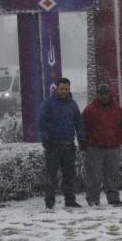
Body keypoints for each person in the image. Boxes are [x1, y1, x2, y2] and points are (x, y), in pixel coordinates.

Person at [38, 77, 86, 209]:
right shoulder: (48, 104)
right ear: (56, 89)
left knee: (69, 175)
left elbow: (79, 123)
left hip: (69, 145)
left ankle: (70, 200)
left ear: (69, 89)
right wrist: (45, 139)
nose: (64, 91)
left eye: (66, 89)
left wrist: (82, 139)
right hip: (53, 145)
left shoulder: (73, 104)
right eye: (61, 89)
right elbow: (42, 124)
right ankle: (49, 201)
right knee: (51, 175)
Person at [82, 83, 122, 206]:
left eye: (106, 94)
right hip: (95, 148)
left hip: (113, 147)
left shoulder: (118, 109)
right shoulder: (90, 109)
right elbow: (83, 127)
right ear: (97, 95)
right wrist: (87, 142)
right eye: (101, 94)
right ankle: (93, 199)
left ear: (109, 94)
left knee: (112, 175)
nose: (104, 96)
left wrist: (120, 139)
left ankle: (113, 198)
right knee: (94, 176)